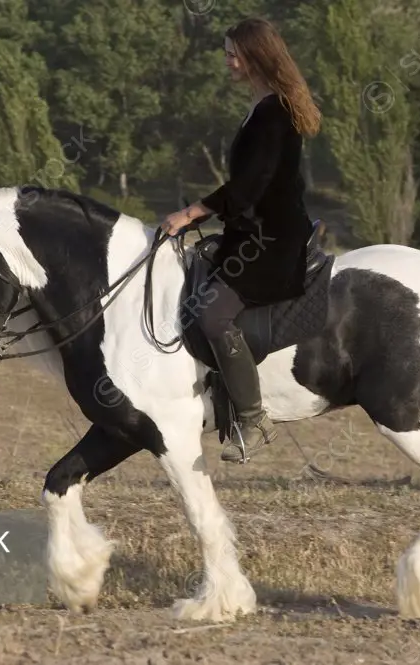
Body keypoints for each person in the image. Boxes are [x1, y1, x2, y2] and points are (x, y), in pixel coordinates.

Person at [161, 16, 321, 462]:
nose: (227, 60)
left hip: (272, 241)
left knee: (212, 315)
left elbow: (249, 187)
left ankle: (253, 418)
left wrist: (190, 213)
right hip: (249, 231)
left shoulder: (274, 113)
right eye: (227, 51)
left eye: (234, 52)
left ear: (257, 56)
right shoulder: (262, 105)